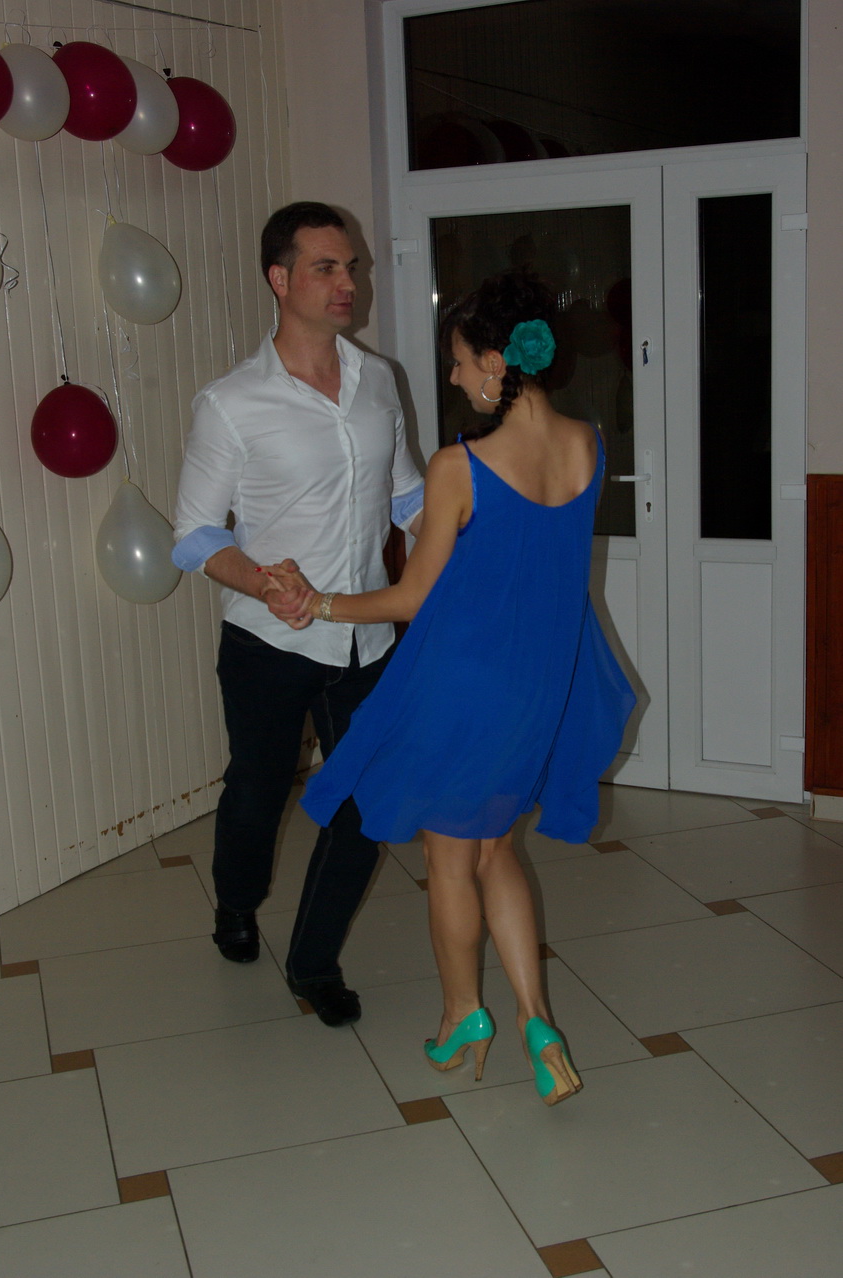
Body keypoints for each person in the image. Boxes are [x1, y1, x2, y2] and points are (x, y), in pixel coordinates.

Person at [263, 269, 635, 1104]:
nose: (457, 377)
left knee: (450, 861)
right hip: (540, 687)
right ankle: (538, 1022)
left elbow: (410, 598)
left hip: (464, 687)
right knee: (497, 847)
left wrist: (317, 602)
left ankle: (462, 1013)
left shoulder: (459, 466)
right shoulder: (586, 444)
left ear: (498, 362)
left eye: (462, 361)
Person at [171, 201, 424, 1028]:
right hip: (268, 643)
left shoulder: (378, 380)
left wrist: (457, 544)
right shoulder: (231, 402)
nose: (348, 282)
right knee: (258, 793)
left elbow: (407, 495)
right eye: (326, 267)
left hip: (367, 635)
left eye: (352, 266)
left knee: (364, 801)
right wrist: (257, 579)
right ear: (279, 279)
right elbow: (193, 534)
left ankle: (313, 962)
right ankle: (235, 902)